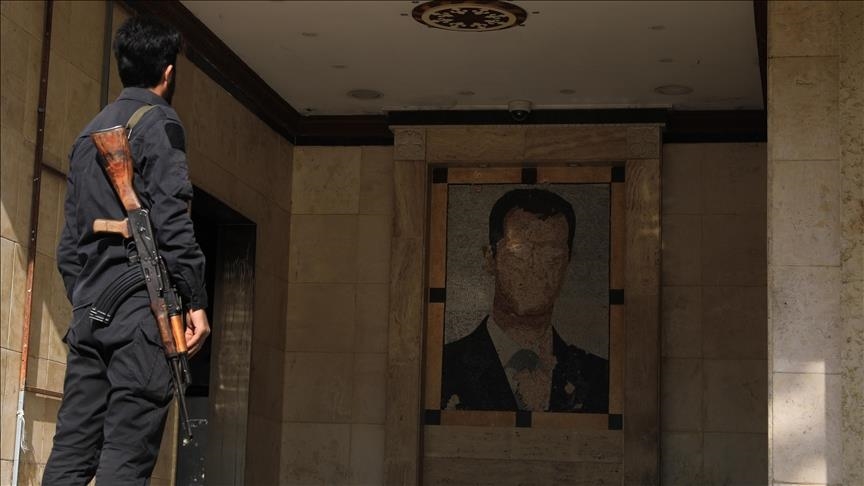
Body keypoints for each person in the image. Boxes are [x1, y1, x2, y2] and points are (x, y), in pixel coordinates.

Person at [43, 16, 210, 484]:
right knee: (126, 455)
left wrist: (88, 300)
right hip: (142, 315)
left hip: (90, 314)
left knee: (71, 451)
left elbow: (69, 247)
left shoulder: (85, 137)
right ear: (168, 72)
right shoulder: (160, 123)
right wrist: (195, 300)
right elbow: (173, 224)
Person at [441, 188, 608, 413]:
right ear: (490, 258)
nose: (535, 271)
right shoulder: (443, 368)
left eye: (551, 258)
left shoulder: (599, 377)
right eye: (519, 254)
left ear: (567, 263)